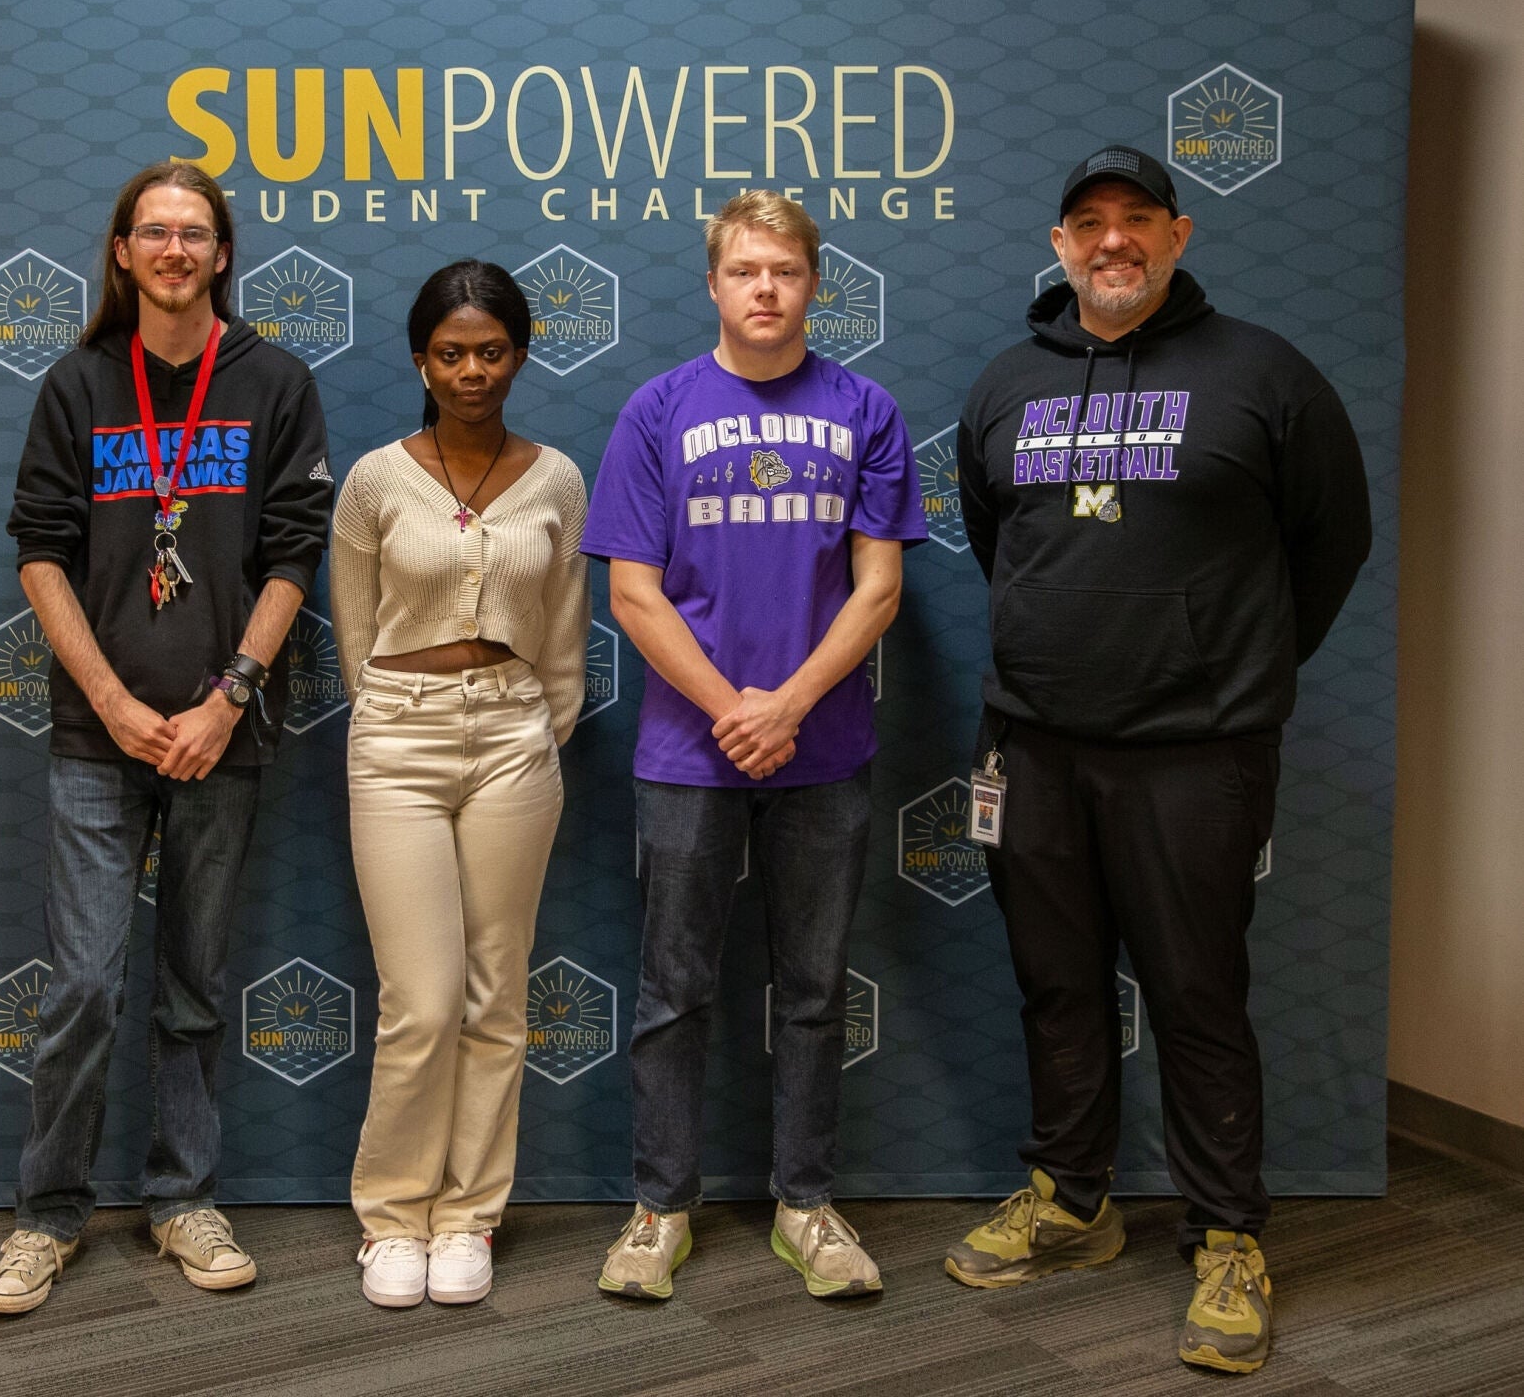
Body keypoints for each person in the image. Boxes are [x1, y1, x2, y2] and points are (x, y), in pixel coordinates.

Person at [947, 145, 1372, 1374]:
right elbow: (998, 544)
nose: (1113, 241)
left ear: (1179, 236)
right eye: (1089, 222)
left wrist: (1224, 671)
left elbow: (1331, 544)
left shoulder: (1265, 377)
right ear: (1060, 242)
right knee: (1059, 985)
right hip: (1033, 746)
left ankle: (1229, 1233)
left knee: (1196, 994)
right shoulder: (1007, 383)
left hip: (1196, 756)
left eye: (1138, 220)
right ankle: (1073, 1201)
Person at [0, 160, 332, 1315]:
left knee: (193, 983)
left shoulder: (274, 380)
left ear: (222, 253)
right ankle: (49, 1213)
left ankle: (183, 1196)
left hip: (224, 728)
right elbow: (39, 550)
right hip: (99, 732)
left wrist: (229, 694)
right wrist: (118, 703)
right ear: (123, 252)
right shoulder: (78, 383)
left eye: (195, 232)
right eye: (153, 232)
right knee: (84, 983)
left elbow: (292, 553)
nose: (175, 249)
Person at [583, 191, 927, 1300]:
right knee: (673, 988)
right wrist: (736, 704)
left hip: (823, 751)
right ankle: (658, 1209)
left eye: (784, 270)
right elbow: (633, 594)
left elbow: (879, 588)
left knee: (813, 987)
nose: (765, 289)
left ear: (815, 282)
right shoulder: (656, 410)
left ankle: (807, 1205)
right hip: (687, 754)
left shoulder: (867, 409)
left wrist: (787, 706)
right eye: (745, 271)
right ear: (715, 285)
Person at [332, 261, 590, 1309]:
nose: (472, 370)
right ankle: (393, 1216)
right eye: (451, 353)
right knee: (423, 1000)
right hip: (397, 741)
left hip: (516, 743)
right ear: (420, 362)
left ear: (519, 356)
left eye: (491, 351)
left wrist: (530, 727)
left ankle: (468, 1214)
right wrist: (400, 714)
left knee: (497, 994)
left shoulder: (558, 480)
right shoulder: (375, 481)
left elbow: (567, 640)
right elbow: (355, 636)